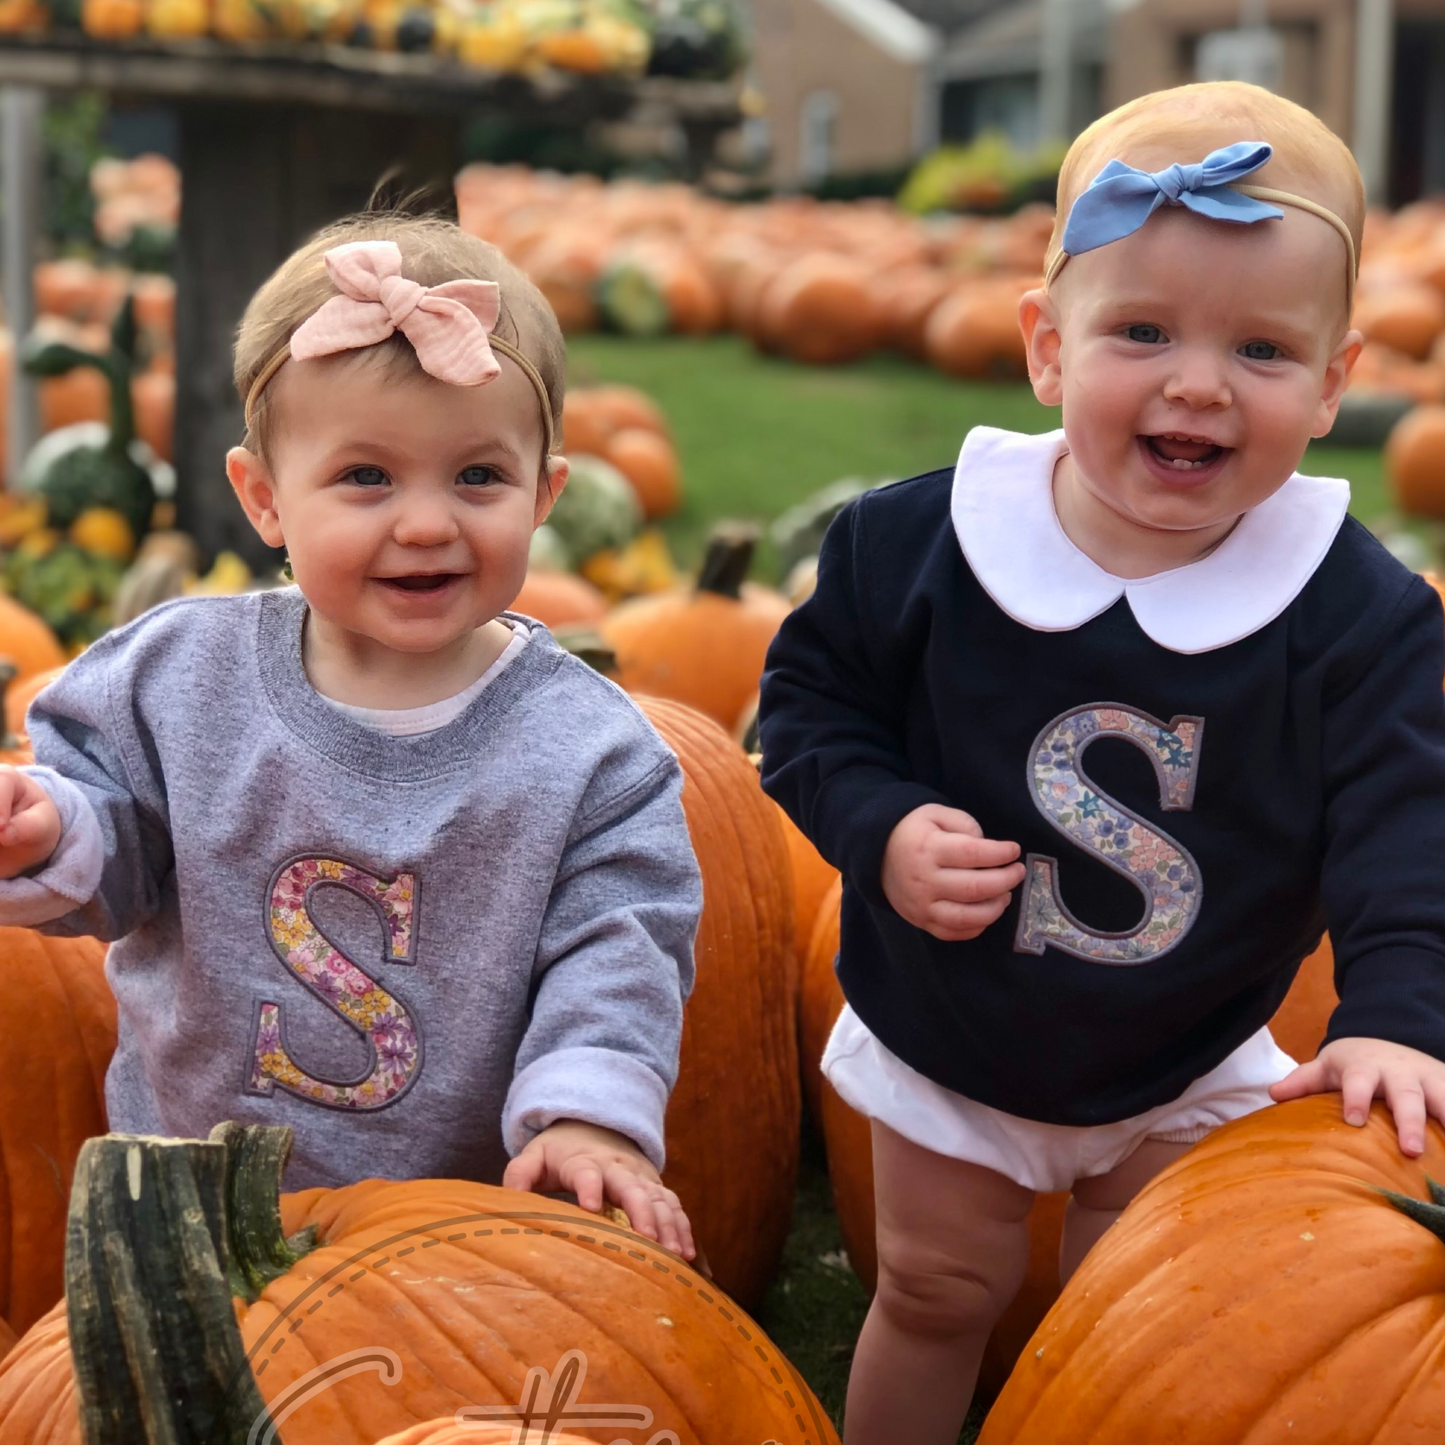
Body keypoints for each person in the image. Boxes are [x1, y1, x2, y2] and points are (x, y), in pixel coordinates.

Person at [757, 81, 1445, 1443]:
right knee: (937, 1288)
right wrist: (882, 829)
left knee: (1130, 1314)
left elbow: (1404, 816)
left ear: (1331, 386)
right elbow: (806, 707)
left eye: (1259, 350)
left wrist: (1397, 1011)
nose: (1196, 382)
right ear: (1044, 346)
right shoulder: (920, 545)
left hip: (1188, 1048)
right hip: (958, 1025)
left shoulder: (1355, 614)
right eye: (1141, 331)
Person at [0, 212, 702, 1261]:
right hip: (188, 1187)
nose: (425, 522)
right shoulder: (176, 678)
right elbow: (117, 846)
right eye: (366, 477)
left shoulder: (591, 753)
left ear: (545, 493)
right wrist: (52, 828)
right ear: (264, 496)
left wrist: (585, 1112)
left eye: (477, 477)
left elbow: (618, 947)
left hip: (453, 1225)